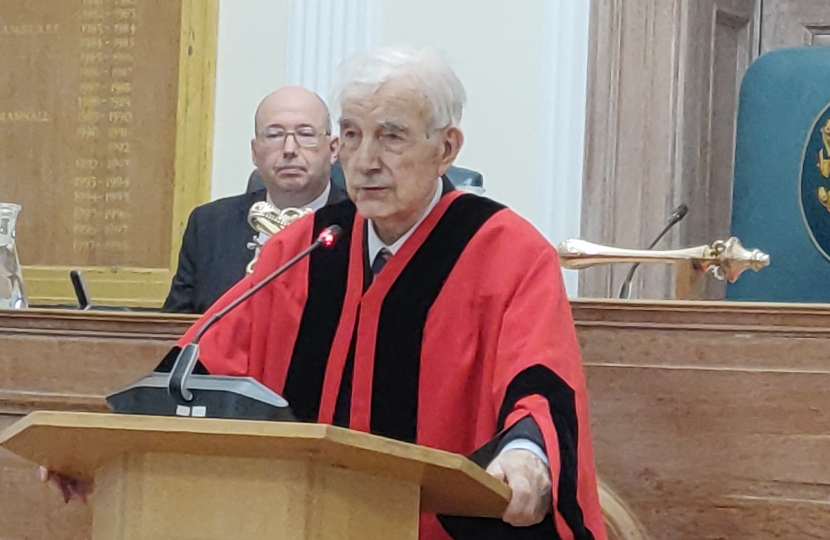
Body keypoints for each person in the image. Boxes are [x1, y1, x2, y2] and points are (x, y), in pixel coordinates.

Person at [155, 47, 608, 539]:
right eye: (351, 135)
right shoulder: (303, 250)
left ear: (447, 149)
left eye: (391, 137)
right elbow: (202, 366)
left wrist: (525, 456)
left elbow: (540, 386)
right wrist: (112, 448)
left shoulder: (506, 254)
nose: (365, 161)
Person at [161, 86, 348, 314]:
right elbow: (174, 330)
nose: (289, 149)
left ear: (333, 149)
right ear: (255, 151)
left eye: (306, 134)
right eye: (275, 135)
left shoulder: (361, 223)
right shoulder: (210, 226)